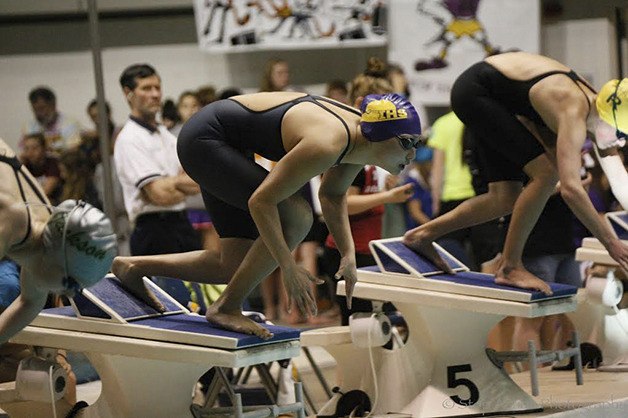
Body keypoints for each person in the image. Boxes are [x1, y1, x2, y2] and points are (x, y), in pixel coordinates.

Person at [112, 91, 422, 338]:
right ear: (380, 135)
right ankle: (226, 307)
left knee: (234, 266)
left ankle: (133, 267)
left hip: (222, 142)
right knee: (297, 216)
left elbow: (331, 195)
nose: (411, 155)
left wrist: (348, 255)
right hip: (206, 139)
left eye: (415, 145)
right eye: (406, 144)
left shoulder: (359, 138)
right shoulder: (329, 141)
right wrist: (288, 266)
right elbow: (261, 202)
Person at [404, 51, 628, 294]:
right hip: (477, 91)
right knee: (547, 174)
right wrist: (612, 244)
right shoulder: (573, 110)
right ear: (607, 118)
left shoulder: (598, 111)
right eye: (619, 134)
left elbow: (618, 176)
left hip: (493, 96)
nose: (620, 143)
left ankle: (422, 235)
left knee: (505, 198)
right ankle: (510, 266)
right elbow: (571, 189)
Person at [0, 137, 117, 344]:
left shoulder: (44, 225)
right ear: (56, 260)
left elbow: (30, 302)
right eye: (69, 284)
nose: (68, 293)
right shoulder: (8, 219)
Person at [113, 64, 202, 257]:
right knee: (161, 287)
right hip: (153, 229)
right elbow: (160, 195)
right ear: (128, 93)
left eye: (157, 87)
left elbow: (199, 181)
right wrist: (177, 182)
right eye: (146, 88)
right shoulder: (129, 138)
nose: (155, 94)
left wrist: (172, 183)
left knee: (196, 285)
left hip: (182, 223)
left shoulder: (166, 135)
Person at [21, 86, 82, 156]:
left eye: (42, 108)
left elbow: (72, 152)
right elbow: (26, 152)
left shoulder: (70, 124)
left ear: (53, 105)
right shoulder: (29, 127)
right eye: (35, 110)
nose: (39, 114)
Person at [19, 132, 62, 204]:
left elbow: (44, 193)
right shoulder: (25, 165)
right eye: (26, 149)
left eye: (34, 148)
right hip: (34, 202)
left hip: (55, 203)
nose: (30, 152)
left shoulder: (53, 163)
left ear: (44, 148)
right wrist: (19, 165)